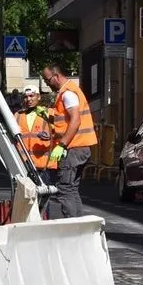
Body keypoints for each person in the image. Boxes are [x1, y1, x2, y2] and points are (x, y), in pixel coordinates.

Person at [41, 63, 98, 219]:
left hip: (73, 148)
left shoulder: (68, 94)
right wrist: (49, 116)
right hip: (81, 147)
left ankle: (73, 226)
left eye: (48, 80)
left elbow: (75, 120)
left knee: (65, 188)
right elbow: (64, 120)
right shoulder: (69, 91)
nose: (47, 83)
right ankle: (78, 225)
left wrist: (62, 144)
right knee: (72, 189)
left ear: (57, 76)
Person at [15, 86, 56, 203]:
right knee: (25, 200)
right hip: (24, 165)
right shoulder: (17, 115)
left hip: (43, 165)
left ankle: (43, 220)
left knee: (42, 200)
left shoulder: (49, 113)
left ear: (39, 97)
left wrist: (51, 136)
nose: (28, 99)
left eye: (31, 96)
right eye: (25, 97)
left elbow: (61, 131)